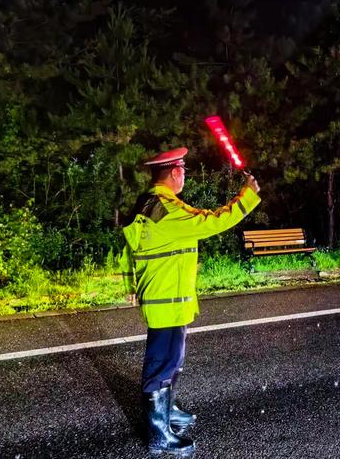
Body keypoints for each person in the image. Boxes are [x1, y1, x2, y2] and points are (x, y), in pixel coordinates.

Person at [120, 147, 261, 456]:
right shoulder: (168, 210)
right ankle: (159, 435)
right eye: (183, 169)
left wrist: (131, 284)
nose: (185, 174)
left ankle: (167, 412)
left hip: (166, 295)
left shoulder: (148, 203)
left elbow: (125, 248)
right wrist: (247, 196)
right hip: (167, 298)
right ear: (173, 173)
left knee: (171, 359)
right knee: (162, 363)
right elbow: (210, 222)